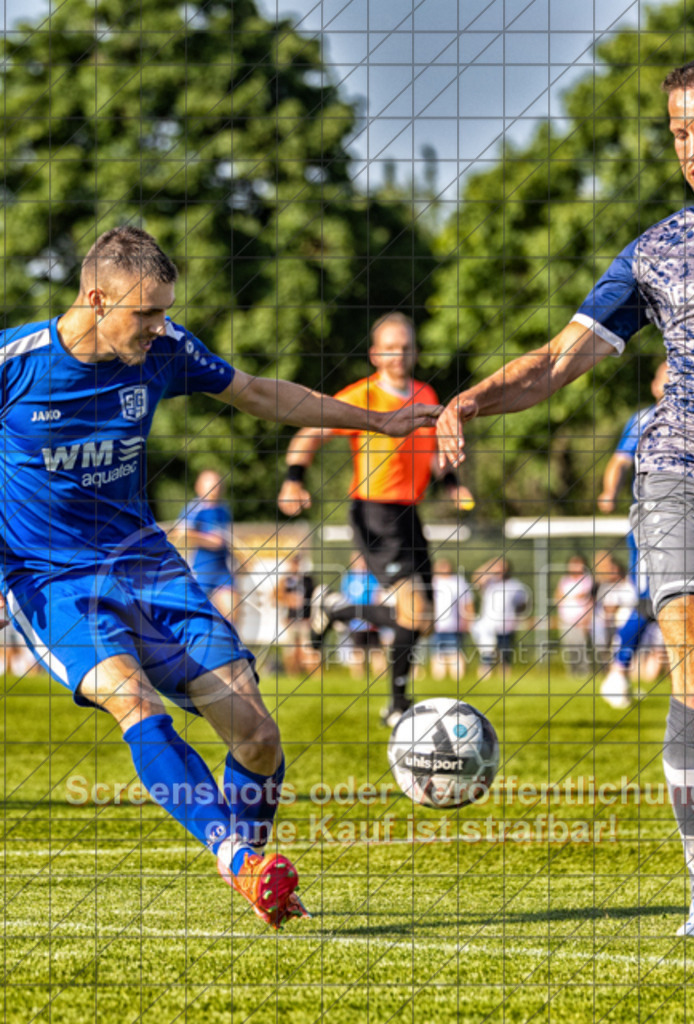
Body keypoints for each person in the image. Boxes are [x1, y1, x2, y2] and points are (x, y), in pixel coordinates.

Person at [438, 55, 694, 938]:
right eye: (680, 132)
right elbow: (558, 361)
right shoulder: (654, 252)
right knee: (692, 669)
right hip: (681, 477)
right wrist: (470, 399)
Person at [0, 226, 439, 931]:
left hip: (147, 563)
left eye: (165, 311)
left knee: (258, 737)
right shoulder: (14, 362)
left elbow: (261, 394)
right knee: (133, 700)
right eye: (146, 314)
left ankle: (256, 870)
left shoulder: (165, 352)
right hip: (53, 580)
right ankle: (235, 857)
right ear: (95, 297)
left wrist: (375, 423)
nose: (159, 327)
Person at [277, 313, 473, 727]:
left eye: (406, 347)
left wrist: (453, 483)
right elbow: (309, 433)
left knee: (423, 620)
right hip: (374, 511)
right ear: (374, 354)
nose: (399, 354)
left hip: (410, 512)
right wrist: (294, 479)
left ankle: (336, 610)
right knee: (413, 612)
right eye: (391, 347)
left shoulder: (425, 392)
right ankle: (398, 705)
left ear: (415, 352)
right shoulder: (362, 395)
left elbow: (434, 452)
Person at [597, 362, 668, 708]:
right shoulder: (643, 419)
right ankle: (618, 669)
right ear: (655, 386)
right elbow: (620, 461)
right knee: (648, 600)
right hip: (652, 522)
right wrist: (610, 491)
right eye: (666, 379)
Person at [169, 469, 240, 625]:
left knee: (233, 617)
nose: (215, 489)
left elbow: (223, 540)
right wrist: (208, 539)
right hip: (202, 569)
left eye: (217, 485)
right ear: (199, 486)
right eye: (210, 485)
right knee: (193, 616)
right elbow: (181, 533)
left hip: (222, 569)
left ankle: (230, 647)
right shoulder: (195, 508)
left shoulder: (223, 509)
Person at [471, 557, 529, 671]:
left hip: (506, 627)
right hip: (488, 627)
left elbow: (522, 605)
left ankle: (505, 680)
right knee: (486, 656)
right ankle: (485, 677)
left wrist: (516, 618)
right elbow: (475, 577)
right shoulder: (489, 583)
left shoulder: (516, 586)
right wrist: (491, 564)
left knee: (505, 658)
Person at [430, 557, 475, 681]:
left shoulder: (458, 582)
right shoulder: (431, 582)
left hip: (454, 625)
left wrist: (468, 620)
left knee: (455, 653)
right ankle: (439, 680)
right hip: (435, 626)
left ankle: (458, 678)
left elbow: (467, 602)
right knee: (437, 654)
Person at [552, 554, 595, 674]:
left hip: (581, 620)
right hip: (566, 619)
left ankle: (584, 673)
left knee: (581, 647)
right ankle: (572, 673)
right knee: (569, 648)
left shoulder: (587, 579)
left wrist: (567, 597)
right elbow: (558, 597)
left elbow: (583, 595)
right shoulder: (564, 580)